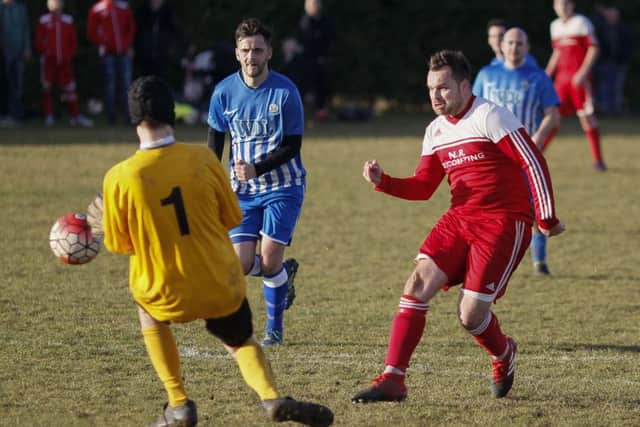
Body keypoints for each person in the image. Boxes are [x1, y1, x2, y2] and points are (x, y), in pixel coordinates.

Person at [87, 75, 333, 427]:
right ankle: (270, 397)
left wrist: (102, 226)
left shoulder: (119, 179)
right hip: (218, 283)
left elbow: (119, 244)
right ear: (173, 114)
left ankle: (178, 404)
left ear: (133, 120)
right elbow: (232, 217)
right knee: (238, 339)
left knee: (147, 312)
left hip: (163, 289)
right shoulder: (204, 160)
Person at [351, 50, 564, 404]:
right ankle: (393, 379)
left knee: (471, 315)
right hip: (460, 217)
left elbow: (532, 159)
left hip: (503, 221)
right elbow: (423, 187)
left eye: (444, 88)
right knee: (417, 284)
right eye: (431, 89)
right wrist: (383, 181)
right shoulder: (435, 130)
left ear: (465, 86)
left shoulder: (490, 115)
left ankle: (503, 354)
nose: (435, 96)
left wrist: (546, 217)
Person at [207, 18, 305, 347]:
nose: (252, 56)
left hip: (283, 187)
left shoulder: (286, 91)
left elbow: (293, 146)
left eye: (258, 50)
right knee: (242, 264)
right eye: (246, 50)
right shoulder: (223, 93)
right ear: (237, 53)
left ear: (269, 53)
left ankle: (273, 331)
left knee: (270, 260)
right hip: (243, 192)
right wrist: (211, 182)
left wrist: (257, 168)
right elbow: (214, 146)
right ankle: (281, 279)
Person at [473, 28, 560, 276]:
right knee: (486, 208)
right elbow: (472, 109)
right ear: (502, 45)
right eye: (509, 43)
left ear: (527, 47)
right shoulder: (487, 75)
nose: (514, 48)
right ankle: (484, 259)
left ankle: (540, 262)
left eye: (519, 43)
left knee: (532, 209)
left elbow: (552, 115)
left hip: (524, 157)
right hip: (491, 157)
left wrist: (536, 141)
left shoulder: (538, 77)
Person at [544, 0, 605, 171]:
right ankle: (538, 153)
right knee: (552, 116)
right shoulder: (554, 26)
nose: (562, 7)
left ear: (572, 5)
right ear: (554, 6)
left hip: (579, 79)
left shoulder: (582, 22)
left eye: (566, 4)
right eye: (558, 4)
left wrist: (583, 72)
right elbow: (557, 52)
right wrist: (547, 73)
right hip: (561, 81)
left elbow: (594, 48)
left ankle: (598, 161)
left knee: (586, 117)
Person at [35, 0, 93, 127]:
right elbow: (39, 40)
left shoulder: (68, 20)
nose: (56, 4)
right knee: (47, 87)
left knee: (70, 89)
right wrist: (46, 52)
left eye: (58, 2)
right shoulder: (43, 20)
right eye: (53, 2)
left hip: (65, 61)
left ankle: (75, 116)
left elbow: (73, 41)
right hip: (48, 61)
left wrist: (69, 54)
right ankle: (49, 116)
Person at [87, 0, 136, 124]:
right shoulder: (97, 8)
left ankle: (128, 116)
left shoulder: (124, 6)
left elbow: (130, 28)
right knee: (110, 85)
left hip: (123, 53)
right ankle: (111, 116)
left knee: (126, 84)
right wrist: (104, 42)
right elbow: (92, 32)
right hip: (107, 54)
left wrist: (127, 44)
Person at [592, 5, 634, 115]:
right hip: (604, 63)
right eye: (610, 14)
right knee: (603, 88)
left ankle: (615, 110)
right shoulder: (600, 28)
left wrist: (625, 59)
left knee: (616, 87)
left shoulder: (623, 29)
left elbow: (629, 46)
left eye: (614, 14)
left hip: (619, 63)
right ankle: (604, 111)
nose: (612, 17)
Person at [298, 0, 334, 122]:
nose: (315, 7)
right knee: (307, 86)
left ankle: (321, 113)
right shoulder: (305, 22)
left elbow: (327, 40)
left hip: (322, 60)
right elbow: (308, 42)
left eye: (316, 3)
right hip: (308, 61)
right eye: (312, 4)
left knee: (322, 87)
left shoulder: (324, 21)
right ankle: (303, 114)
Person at [134, 0, 187, 81]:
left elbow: (177, 30)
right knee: (144, 81)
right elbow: (135, 31)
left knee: (160, 81)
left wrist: (186, 45)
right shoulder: (142, 11)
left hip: (162, 55)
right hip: (144, 55)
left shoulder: (168, 12)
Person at [0, 0, 31, 127]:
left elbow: (25, 27)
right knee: (4, 83)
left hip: (19, 51)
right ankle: (3, 114)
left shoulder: (21, 8)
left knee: (18, 84)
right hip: (3, 52)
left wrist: (27, 48)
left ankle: (15, 115)